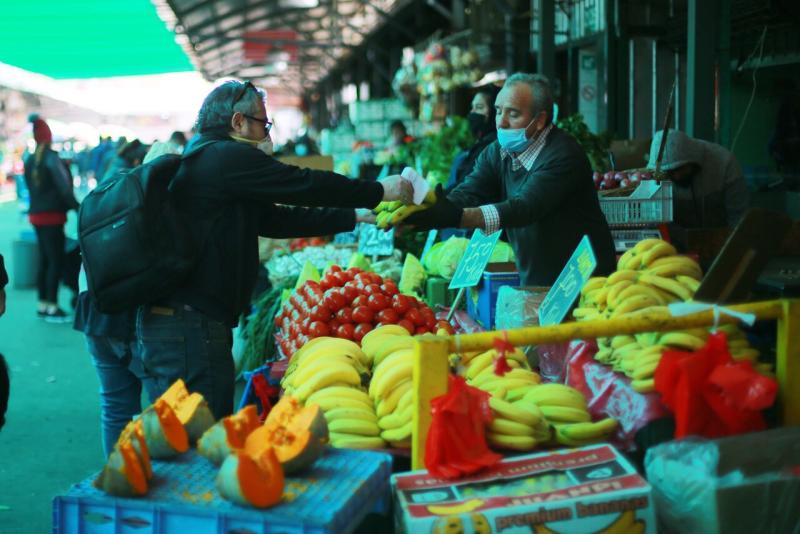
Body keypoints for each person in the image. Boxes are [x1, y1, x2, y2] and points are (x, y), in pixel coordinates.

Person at [133, 80, 411, 419]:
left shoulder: (207, 157)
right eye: (263, 124)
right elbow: (301, 183)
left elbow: (275, 220)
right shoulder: (225, 157)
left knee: (188, 430)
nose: (267, 134)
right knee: (197, 433)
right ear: (238, 122)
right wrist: (377, 190)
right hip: (189, 326)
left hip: (183, 323)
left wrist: (352, 216)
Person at [404, 73, 617, 286]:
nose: (501, 122)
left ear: (540, 120)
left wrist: (459, 217)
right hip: (536, 280)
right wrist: (430, 209)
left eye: (513, 114)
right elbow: (470, 192)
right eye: (498, 111)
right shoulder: (496, 152)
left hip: (584, 280)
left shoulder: (563, 154)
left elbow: (524, 208)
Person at [23, 114, 80, 322]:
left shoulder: (30, 160)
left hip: (36, 217)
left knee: (45, 260)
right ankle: (53, 307)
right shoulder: (52, 158)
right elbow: (64, 189)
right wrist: (78, 208)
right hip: (53, 218)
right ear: (49, 136)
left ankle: (43, 304)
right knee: (55, 261)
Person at [647, 129, 749, 228]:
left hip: (723, 234)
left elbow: (739, 218)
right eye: (669, 173)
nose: (677, 176)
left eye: (680, 168)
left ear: (693, 160)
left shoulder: (725, 164)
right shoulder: (654, 176)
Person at [448, 86, 500, 190]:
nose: (472, 112)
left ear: (493, 111)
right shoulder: (481, 141)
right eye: (472, 107)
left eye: (479, 107)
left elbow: (467, 185)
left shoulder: (491, 146)